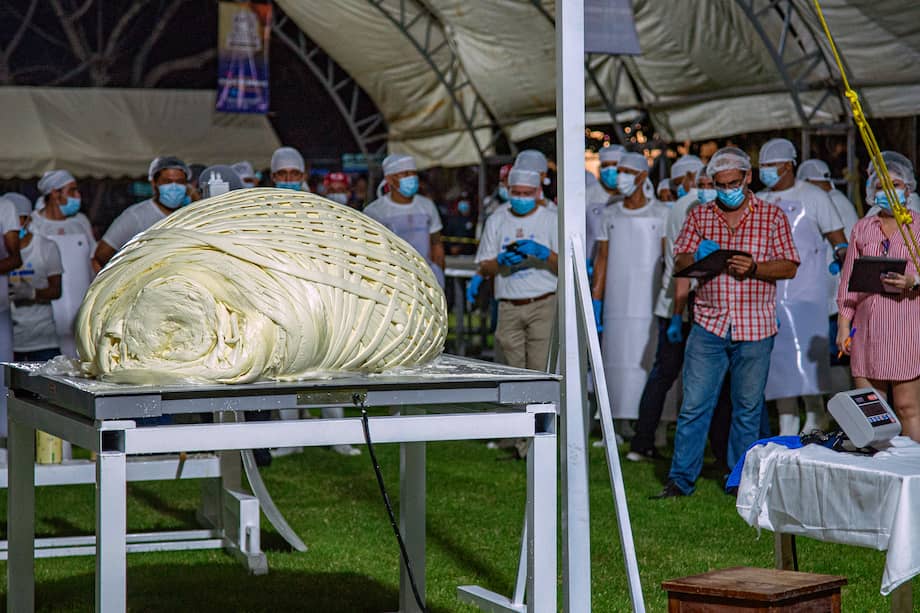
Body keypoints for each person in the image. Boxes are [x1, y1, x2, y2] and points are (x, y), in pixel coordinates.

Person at [654, 147, 799, 498]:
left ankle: (740, 480)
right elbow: (680, 262)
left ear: (747, 178)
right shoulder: (701, 216)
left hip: (756, 326)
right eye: (720, 185)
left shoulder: (772, 216)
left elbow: (790, 265)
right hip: (709, 323)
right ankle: (680, 480)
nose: (726, 191)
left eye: (732, 183)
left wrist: (755, 268)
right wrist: (698, 255)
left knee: (747, 409)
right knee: (693, 406)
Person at [756, 139, 847, 435]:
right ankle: (786, 421)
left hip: (807, 292)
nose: (766, 172)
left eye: (770, 166)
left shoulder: (814, 197)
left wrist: (842, 262)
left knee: (808, 360)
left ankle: (815, 414)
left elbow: (839, 240)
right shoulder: (760, 200)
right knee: (778, 361)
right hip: (769, 293)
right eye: (763, 167)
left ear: (787, 165)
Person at [626, 155, 706, 462]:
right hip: (684, 305)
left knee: (663, 377)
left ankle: (644, 441)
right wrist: (677, 314)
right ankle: (660, 443)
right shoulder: (693, 209)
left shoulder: (674, 210)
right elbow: (681, 267)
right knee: (690, 380)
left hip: (674, 304)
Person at [837, 156, 920, 442]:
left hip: (907, 325)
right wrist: (843, 326)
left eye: (895, 184)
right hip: (867, 328)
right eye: (882, 185)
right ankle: (872, 475)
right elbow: (848, 282)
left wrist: (913, 280)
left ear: (907, 189)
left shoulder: (918, 227)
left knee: (907, 407)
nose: (889, 190)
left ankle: (912, 472)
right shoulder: (862, 228)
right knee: (870, 410)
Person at [591, 152, 670, 443]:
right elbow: (602, 259)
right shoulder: (609, 214)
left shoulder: (662, 213)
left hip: (649, 302)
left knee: (648, 362)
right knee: (614, 361)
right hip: (616, 303)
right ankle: (615, 426)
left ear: (641, 176)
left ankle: (656, 426)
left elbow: (668, 259)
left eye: (624, 170)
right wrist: (596, 301)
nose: (618, 175)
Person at [474, 168, 558, 371]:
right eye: (516, 193)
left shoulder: (552, 219)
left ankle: (541, 404)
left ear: (537, 192)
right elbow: (485, 267)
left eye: (527, 193)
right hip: (508, 307)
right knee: (511, 372)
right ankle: (517, 406)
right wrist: (500, 261)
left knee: (541, 370)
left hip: (543, 305)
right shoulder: (497, 220)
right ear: (508, 190)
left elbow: (565, 265)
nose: (521, 198)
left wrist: (544, 253)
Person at [798, 158, 860, 391]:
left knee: (837, 354)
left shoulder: (833, 202)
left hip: (835, 293)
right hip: (826, 291)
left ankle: (840, 406)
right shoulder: (837, 200)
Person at [31, 170, 94, 358]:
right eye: (72, 191)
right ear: (54, 193)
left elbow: (92, 258)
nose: (78, 196)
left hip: (81, 306)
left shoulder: (81, 222)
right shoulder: (34, 223)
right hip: (48, 312)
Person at [93, 157, 197, 269]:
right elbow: (102, 254)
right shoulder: (135, 215)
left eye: (180, 182)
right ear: (154, 183)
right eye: (167, 181)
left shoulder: (189, 214)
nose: (174, 187)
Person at [364, 153, 446, 287]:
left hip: (425, 277)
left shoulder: (427, 206)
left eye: (413, 173)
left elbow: (436, 245)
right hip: (394, 280)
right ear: (390, 179)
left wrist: (439, 277)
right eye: (405, 174)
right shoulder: (375, 211)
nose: (411, 178)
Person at [10, 194, 62, 362]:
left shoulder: (46, 247)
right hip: (11, 339)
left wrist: (32, 293)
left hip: (43, 339)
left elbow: (56, 290)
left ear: (27, 219)